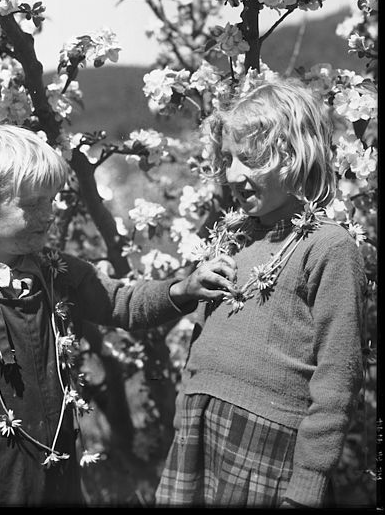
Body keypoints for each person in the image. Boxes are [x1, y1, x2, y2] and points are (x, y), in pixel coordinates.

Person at [0, 123, 238, 507]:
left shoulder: (57, 273)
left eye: (52, 200)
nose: (49, 215)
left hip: (60, 485)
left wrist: (181, 290)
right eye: (32, 204)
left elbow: (120, 302)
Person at [155, 78, 366, 508]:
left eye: (249, 159)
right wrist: (184, 414)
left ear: (294, 156)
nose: (233, 174)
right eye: (228, 158)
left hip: (266, 444)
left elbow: (338, 376)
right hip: (201, 426)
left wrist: (308, 484)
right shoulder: (233, 237)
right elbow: (203, 336)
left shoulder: (329, 247)